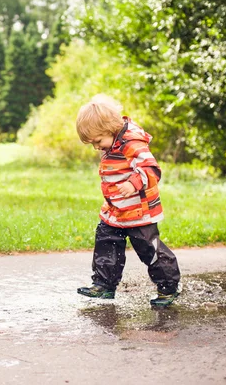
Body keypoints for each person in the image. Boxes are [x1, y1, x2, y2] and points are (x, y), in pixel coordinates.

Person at [75, 94, 181, 307]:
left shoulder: (132, 142)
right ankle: (104, 285)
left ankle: (168, 288)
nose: (96, 147)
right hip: (116, 210)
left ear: (111, 127)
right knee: (106, 241)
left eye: (98, 141)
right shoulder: (112, 141)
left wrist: (133, 184)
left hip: (139, 211)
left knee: (148, 248)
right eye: (92, 143)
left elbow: (151, 168)